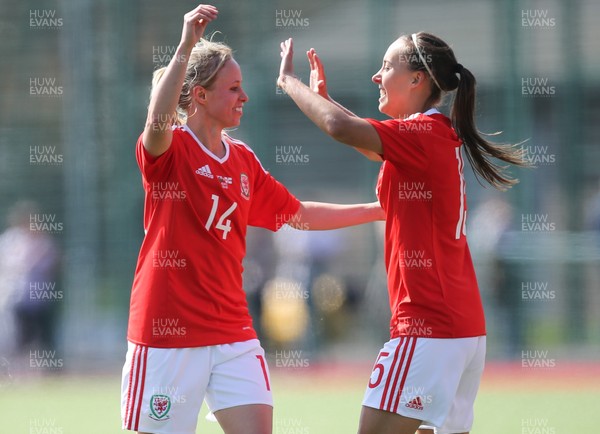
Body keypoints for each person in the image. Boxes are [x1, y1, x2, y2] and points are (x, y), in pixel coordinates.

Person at [121, 5, 384, 434]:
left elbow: (297, 214)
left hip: (232, 331)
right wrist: (186, 45)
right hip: (166, 334)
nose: (244, 97)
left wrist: (378, 210)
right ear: (200, 96)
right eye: (233, 88)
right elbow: (157, 119)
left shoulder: (242, 159)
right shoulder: (171, 152)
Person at [277, 32, 526, 434]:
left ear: (417, 80)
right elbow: (362, 138)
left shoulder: (422, 136)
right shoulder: (431, 135)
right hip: (460, 331)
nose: (377, 76)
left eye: (387, 66)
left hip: (428, 327)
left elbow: (340, 127)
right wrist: (324, 97)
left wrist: (289, 82)